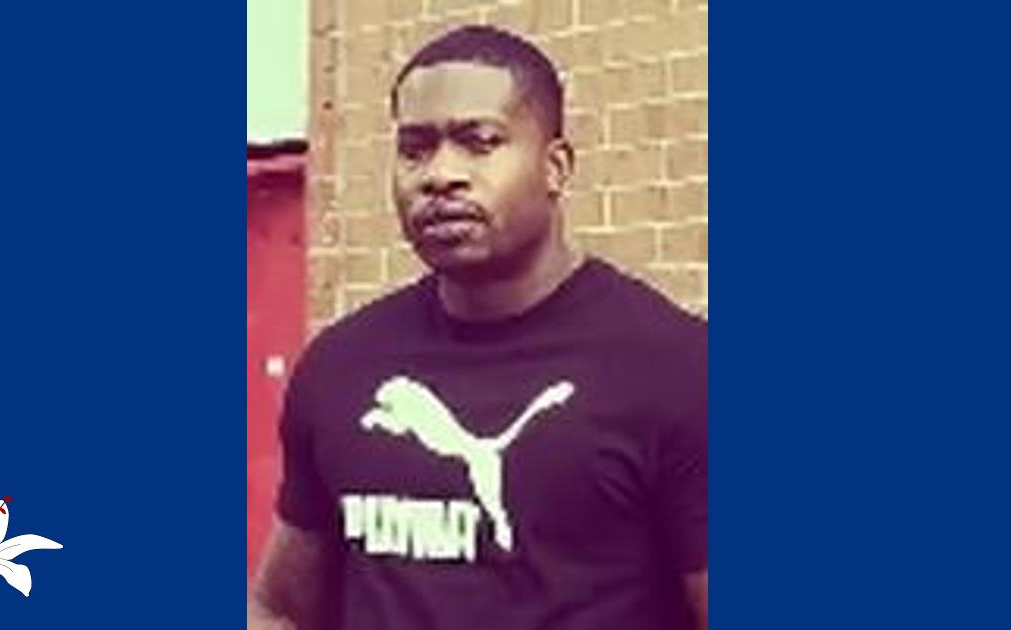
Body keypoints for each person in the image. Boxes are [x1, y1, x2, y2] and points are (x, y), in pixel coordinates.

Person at [248, 25, 707, 630]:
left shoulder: (677, 370)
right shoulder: (341, 368)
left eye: (480, 142)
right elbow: (280, 608)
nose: (440, 175)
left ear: (555, 167)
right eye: (415, 149)